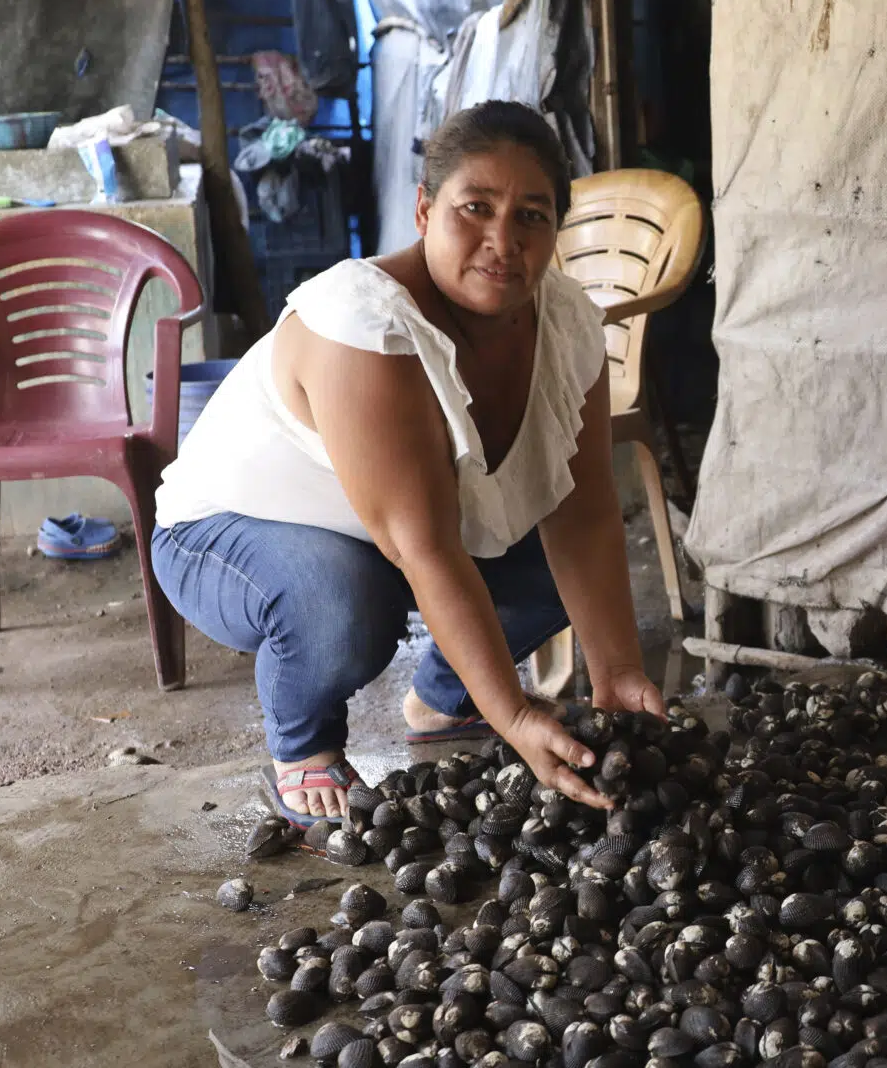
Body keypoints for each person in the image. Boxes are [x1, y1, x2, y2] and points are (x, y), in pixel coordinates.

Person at [151, 100, 663, 822]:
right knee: (346, 605)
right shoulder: (361, 322)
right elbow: (419, 544)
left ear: (556, 231)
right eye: (475, 207)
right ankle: (303, 743)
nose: (501, 240)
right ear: (424, 210)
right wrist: (514, 716)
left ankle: (445, 700)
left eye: (531, 216)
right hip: (227, 535)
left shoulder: (567, 322)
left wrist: (617, 672)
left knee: (559, 562)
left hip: (388, 536)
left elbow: (583, 511)